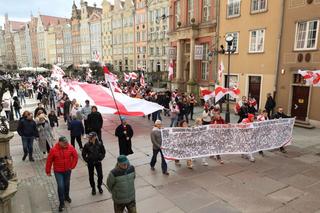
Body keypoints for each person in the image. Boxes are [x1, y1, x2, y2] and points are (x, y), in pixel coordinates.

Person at [45, 136, 78, 212]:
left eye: (66, 142)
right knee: (60, 186)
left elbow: (75, 157)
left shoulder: (70, 147)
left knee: (66, 184)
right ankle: (61, 203)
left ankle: (66, 196)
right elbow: (49, 161)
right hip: (58, 171)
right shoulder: (53, 150)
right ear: (60, 142)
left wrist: (72, 166)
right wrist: (48, 171)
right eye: (64, 143)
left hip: (67, 170)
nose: (66, 144)